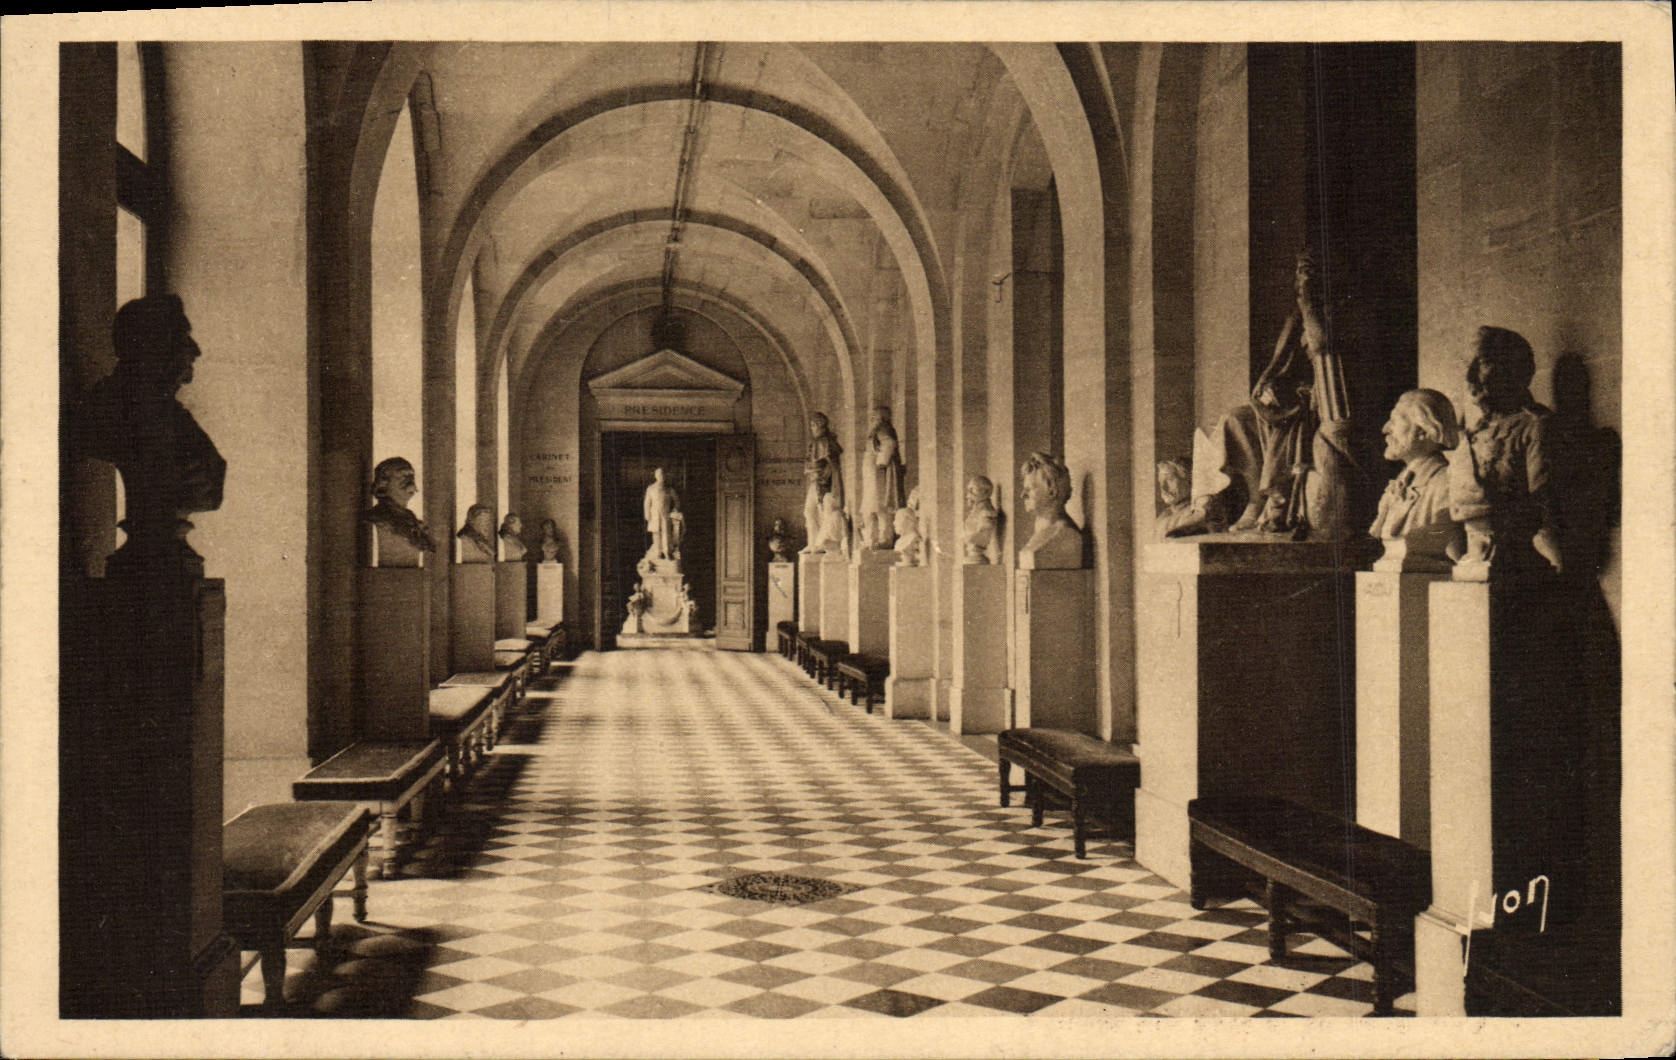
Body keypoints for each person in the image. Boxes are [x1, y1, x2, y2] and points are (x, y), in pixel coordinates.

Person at [73, 294, 226, 573]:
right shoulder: (110, 410)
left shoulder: (170, 415)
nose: (195, 350)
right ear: (154, 345)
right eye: (183, 337)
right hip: (148, 563)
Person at [1209, 250, 1354, 537]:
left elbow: (1323, 346)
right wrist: (1264, 383)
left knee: (1288, 427)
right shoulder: (1297, 313)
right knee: (1234, 419)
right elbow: (1280, 357)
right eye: (1300, 274)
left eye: (1308, 273)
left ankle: (1277, 497)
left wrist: (1309, 304)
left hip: (1322, 398)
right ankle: (1255, 498)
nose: (1302, 280)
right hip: (1293, 394)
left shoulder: (1334, 312)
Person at [1448, 326, 1561, 579]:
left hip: (1518, 565)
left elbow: (1545, 510)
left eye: (1483, 363)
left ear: (1514, 370)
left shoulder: (1535, 426)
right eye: (1469, 365)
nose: (1471, 377)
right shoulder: (1474, 433)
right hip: (1473, 559)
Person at [1369, 389, 1463, 568]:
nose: (1386, 429)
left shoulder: (1447, 484)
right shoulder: (1397, 487)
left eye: (1395, 420)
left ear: (1423, 432)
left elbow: (1457, 561)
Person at [362, 456, 434, 566]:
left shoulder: (412, 519)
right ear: (384, 483)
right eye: (403, 475)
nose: (410, 481)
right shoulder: (378, 518)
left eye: (411, 475)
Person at [1018, 452, 1081, 569]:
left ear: (1052, 492)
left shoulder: (1065, 533)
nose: (1022, 495)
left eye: (1029, 489)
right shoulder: (1041, 529)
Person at [859, 406, 906, 549]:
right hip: (870, 475)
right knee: (869, 508)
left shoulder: (883, 429)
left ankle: (885, 539)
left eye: (875, 417)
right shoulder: (875, 431)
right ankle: (870, 539)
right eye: (872, 417)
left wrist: (881, 462)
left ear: (882, 418)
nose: (872, 419)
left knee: (880, 507)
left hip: (878, 475)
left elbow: (889, 444)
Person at [801, 412, 844, 551]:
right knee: (809, 511)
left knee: (823, 511)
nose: (812, 428)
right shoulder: (816, 443)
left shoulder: (825, 442)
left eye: (814, 425)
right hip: (815, 482)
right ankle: (812, 543)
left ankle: (820, 543)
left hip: (823, 483)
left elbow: (833, 465)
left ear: (821, 426)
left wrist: (824, 478)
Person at [642, 467, 679, 561]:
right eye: (659, 474)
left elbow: (677, 501)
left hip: (665, 515)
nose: (661, 476)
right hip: (654, 515)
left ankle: (667, 552)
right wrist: (647, 514)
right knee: (656, 534)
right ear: (655, 476)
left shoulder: (669, 489)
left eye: (663, 474)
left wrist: (674, 510)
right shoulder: (651, 488)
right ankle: (658, 552)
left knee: (666, 534)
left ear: (665, 476)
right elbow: (647, 503)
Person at [962, 475, 1000, 564]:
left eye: (972, 489)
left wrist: (968, 537)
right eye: (969, 489)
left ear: (985, 492)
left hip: (977, 558)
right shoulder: (975, 511)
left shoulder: (987, 512)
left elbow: (980, 535)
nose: (968, 493)